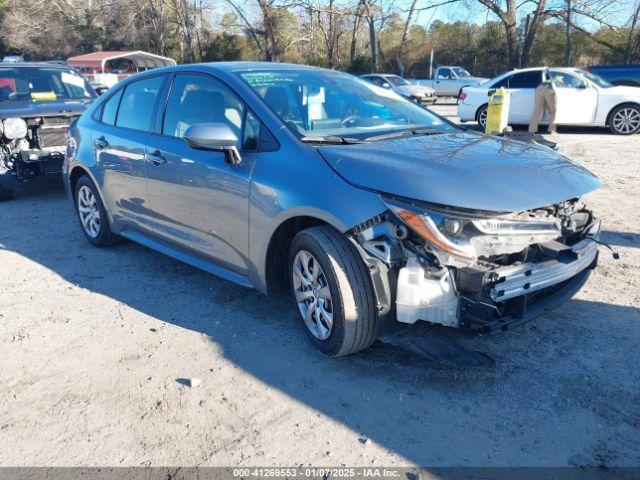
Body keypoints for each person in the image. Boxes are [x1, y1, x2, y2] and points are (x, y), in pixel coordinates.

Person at [529, 69, 557, 134]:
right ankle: (551, 130)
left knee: (536, 111)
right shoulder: (560, 77)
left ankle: (532, 130)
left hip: (539, 88)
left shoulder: (546, 78)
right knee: (553, 111)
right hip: (550, 88)